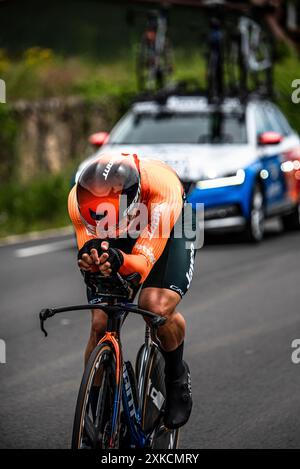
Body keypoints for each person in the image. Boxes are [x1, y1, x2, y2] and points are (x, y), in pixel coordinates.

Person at [68, 152, 196, 429]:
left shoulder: (162, 188)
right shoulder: (78, 200)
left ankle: (176, 378)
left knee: (155, 305)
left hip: (168, 224)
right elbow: (89, 251)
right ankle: (99, 407)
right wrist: (92, 258)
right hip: (119, 224)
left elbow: (142, 264)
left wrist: (119, 259)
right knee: (101, 321)